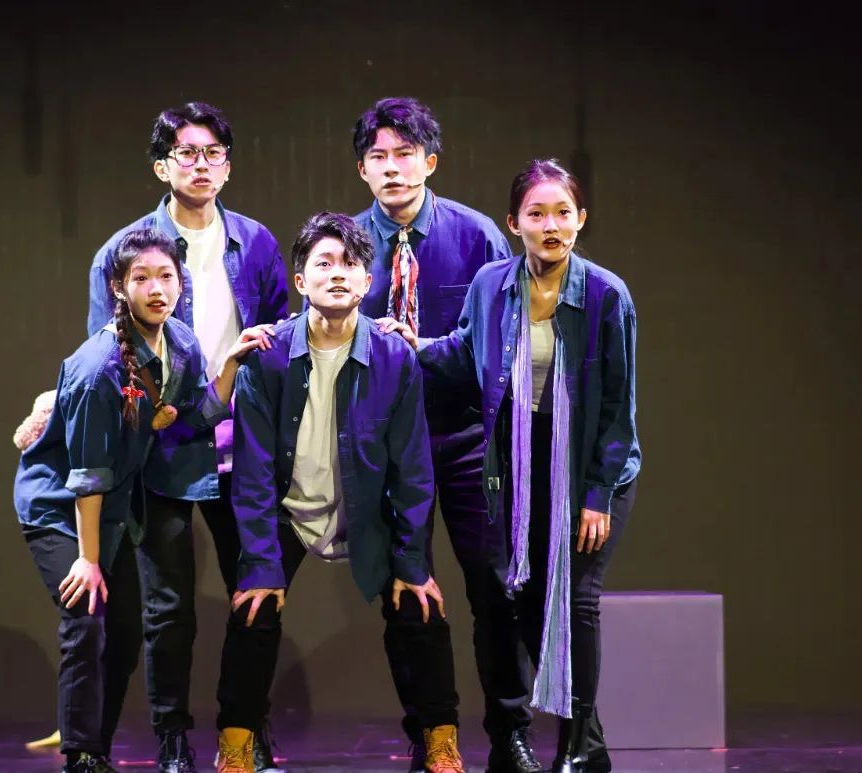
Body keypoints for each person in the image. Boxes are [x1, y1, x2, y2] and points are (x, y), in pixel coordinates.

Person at [386, 159, 641, 773]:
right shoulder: (491, 284)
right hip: (517, 464)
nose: (551, 225)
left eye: (562, 213)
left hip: (588, 468)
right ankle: (550, 740)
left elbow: (617, 408)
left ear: (581, 219)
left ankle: (578, 741)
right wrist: (414, 347)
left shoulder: (606, 295)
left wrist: (598, 495)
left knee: (575, 600)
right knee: (516, 598)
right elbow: (466, 352)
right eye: (536, 214)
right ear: (513, 223)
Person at [213, 212, 466, 773]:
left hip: (366, 510)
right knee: (252, 608)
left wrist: (411, 560)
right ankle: (236, 744)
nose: (336, 273)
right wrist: (261, 563)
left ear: (368, 281)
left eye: (349, 264)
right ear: (299, 280)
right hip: (289, 507)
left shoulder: (394, 355)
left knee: (420, 605)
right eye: (322, 263)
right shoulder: (267, 355)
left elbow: (413, 469)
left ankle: (438, 740)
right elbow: (252, 473)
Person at [15, 229, 272, 773]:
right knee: (85, 617)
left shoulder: (180, 341)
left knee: (127, 631)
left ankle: (98, 746)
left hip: (111, 509)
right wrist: (87, 560)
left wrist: (230, 366)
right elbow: (86, 476)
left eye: (166, 277)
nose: (156, 289)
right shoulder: (98, 369)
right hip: (60, 508)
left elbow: (195, 416)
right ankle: (82, 756)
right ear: (118, 286)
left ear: (180, 283)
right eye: (142, 278)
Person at [87, 103, 289, 772]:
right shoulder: (125, 249)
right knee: (169, 608)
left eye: (213, 153)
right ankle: (172, 737)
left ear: (228, 166)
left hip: (244, 447)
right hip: (165, 449)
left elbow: (279, 339)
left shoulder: (255, 242)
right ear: (161, 166)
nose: (201, 165)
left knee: (255, 594)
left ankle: (245, 731)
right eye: (186, 153)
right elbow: (105, 356)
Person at [351, 97, 530, 770]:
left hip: (467, 438)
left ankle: (510, 732)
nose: (392, 168)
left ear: (430, 161)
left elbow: (499, 344)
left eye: (405, 154)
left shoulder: (477, 236)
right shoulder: (347, 243)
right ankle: (434, 735)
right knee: (407, 593)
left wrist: (420, 349)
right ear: (362, 170)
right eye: (378, 157)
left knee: (496, 588)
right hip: (388, 447)